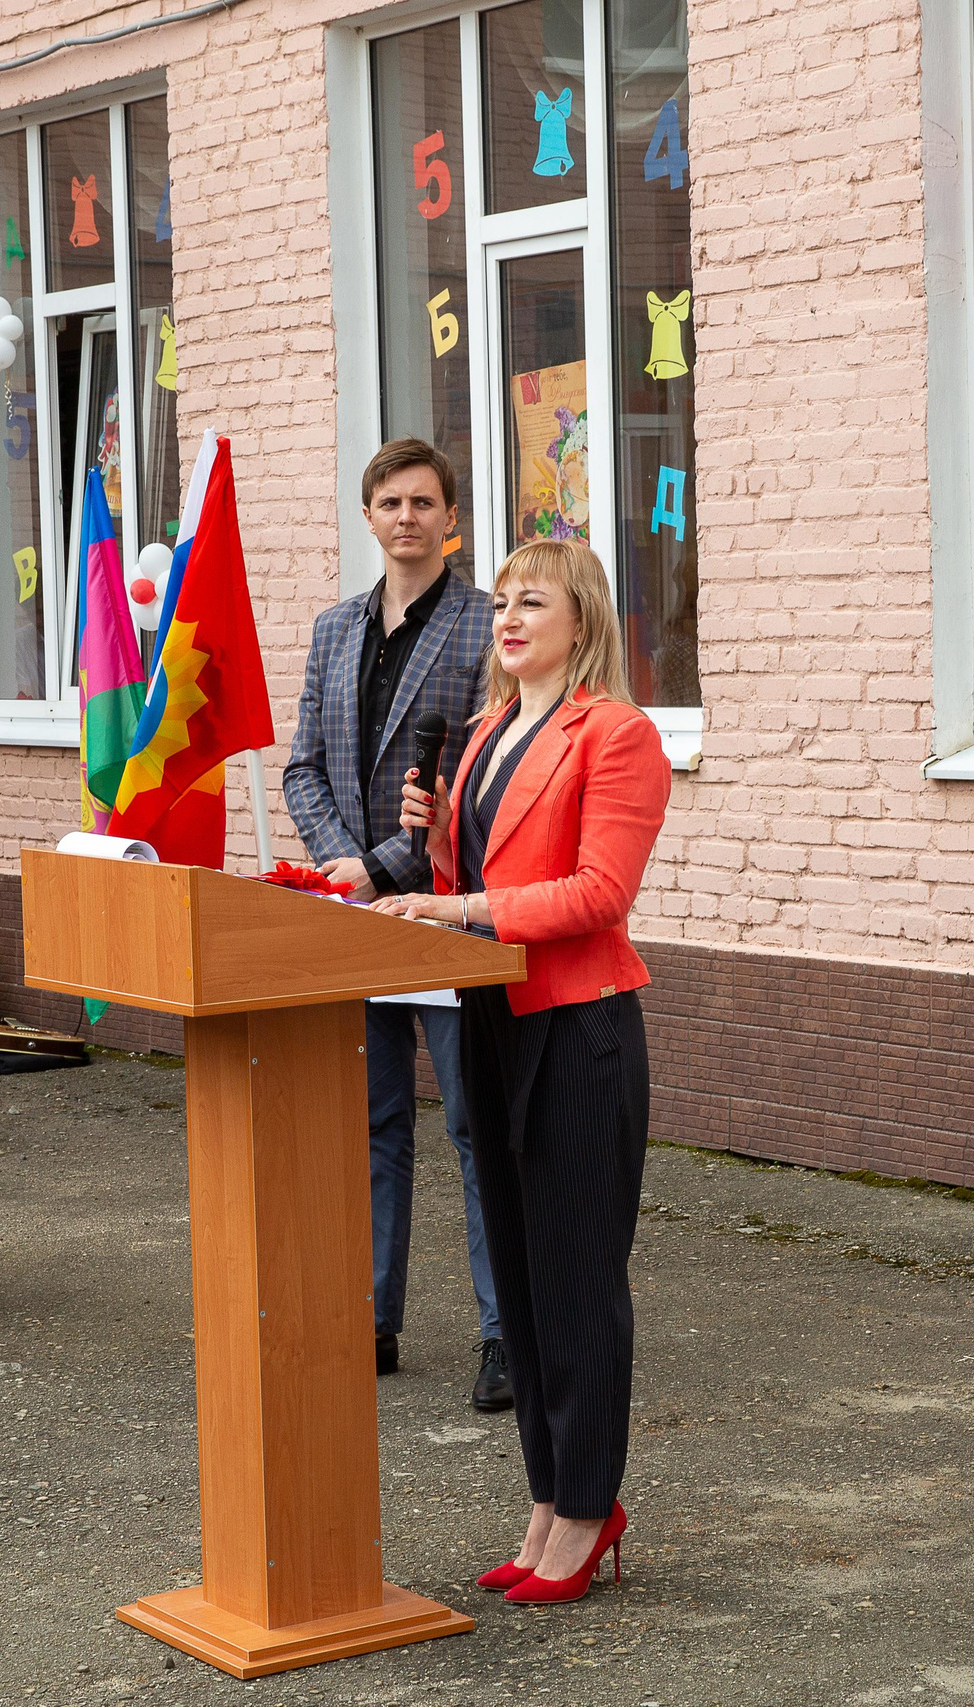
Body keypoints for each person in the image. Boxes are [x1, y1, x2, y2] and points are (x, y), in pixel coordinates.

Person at [375, 539, 671, 1606]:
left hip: (579, 1031)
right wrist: (425, 849)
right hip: (489, 1020)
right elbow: (474, 883)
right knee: (522, 1280)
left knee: (577, 1286)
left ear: (580, 617)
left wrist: (455, 905)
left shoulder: (619, 734)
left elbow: (596, 893)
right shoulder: (490, 730)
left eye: (528, 600)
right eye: (498, 601)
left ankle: (591, 1509)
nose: (504, 617)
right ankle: (548, 1501)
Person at [281, 438, 507, 1409]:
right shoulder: (334, 631)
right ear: (367, 517)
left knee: (471, 1126)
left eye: (423, 502)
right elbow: (302, 767)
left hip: (448, 914)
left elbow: (489, 781)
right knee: (370, 1125)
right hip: (354, 921)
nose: (406, 517)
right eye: (389, 501)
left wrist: (378, 869)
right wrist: (346, 867)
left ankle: (504, 1333)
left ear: (449, 519)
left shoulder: (487, 628)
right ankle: (372, 1318)